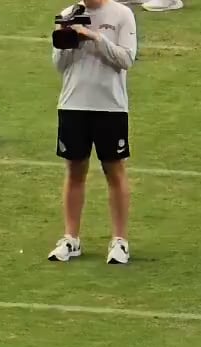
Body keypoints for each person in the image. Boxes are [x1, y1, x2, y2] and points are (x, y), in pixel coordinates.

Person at [48, 0, 137, 265]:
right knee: (74, 170)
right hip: (72, 103)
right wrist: (67, 39)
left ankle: (120, 241)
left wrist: (94, 38)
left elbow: (126, 59)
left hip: (110, 106)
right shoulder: (68, 14)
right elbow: (59, 64)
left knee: (114, 169)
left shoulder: (122, 15)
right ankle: (70, 238)